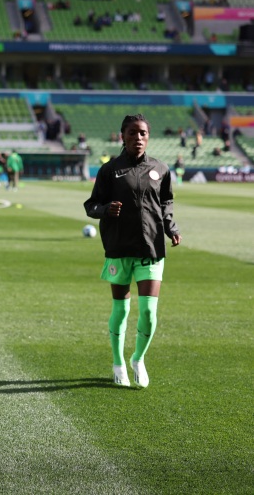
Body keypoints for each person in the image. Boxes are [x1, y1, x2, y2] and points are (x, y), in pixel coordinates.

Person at [83, 114, 181, 389]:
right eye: (132, 133)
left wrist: (171, 227)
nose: (138, 138)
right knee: (122, 310)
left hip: (151, 248)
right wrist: (104, 210)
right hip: (119, 249)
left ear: (148, 137)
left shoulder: (160, 169)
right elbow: (91, 205)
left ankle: (138, 358)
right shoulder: (109, 170)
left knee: (149, 311)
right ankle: (118, 362)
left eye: (143, 133)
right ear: (122, 136)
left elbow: (166, 202)